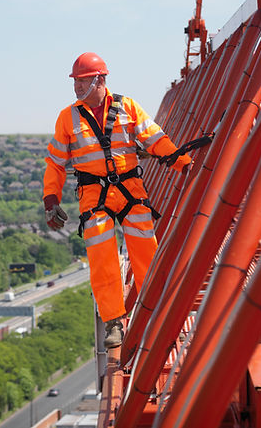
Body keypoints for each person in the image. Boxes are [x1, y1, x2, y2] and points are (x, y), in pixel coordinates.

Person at [43, 52, 192, 348]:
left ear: (99, 80)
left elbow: (156, 141)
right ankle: (113, 321)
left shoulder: (128, 107)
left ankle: (156, 313)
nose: (76, 87)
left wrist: (184, 163)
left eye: (82, 81)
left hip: (130, 191)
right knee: (102, 258)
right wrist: (51, 199)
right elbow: (55, 163)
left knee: (146, 252)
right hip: (94, 196)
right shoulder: (68, 117)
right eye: (75, 81)